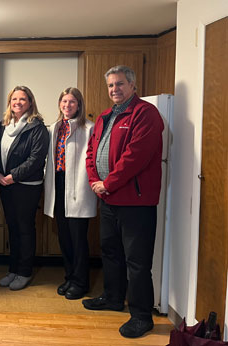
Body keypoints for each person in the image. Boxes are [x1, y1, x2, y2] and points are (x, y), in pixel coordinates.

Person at [84, 65, 164, 338]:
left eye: (119, 84)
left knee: (137, 261)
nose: (114, 89)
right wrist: (96, 182)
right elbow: (91, 151)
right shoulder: (105, 116)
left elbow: (135, 157)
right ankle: (113, 297)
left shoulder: (146, 114)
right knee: (110, 252)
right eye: (110, 85)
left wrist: (108, 183)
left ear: (132, 85)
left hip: (136, 201)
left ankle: (142, 316)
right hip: (107, 199)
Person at [43, 87, 96, 300]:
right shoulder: (54, 127)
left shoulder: (89, 128)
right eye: (64, 101)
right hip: (59, 183)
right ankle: (70, 277)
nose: (67, 105)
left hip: (79, 185)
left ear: (79, 105)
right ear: (59, 104)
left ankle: (81, 282)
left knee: (78, 238)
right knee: (64, 237)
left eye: (72, 102)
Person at [0, 86, 48, 291]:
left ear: (30, 102)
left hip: (26, 186)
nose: (18, 102)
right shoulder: (4, 125)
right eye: (14, 99)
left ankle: (24, 272)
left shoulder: (37, 128)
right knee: (13, 228)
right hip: (5, 184)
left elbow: (36, 159)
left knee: (25, 229)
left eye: (22, 99)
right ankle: (13, 270)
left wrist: (13, 176)